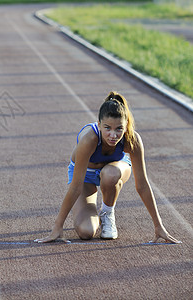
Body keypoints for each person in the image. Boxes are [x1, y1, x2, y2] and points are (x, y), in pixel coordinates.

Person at [35, 91, 181, 244]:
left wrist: (158, 226)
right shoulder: (89, 139)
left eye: (119, 128)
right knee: (86, 232)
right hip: (85, 176)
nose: (113, 135)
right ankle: (91, 215)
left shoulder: (132, 140)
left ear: (126, 127)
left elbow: (143, 185)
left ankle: (107, 212)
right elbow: (76, 186)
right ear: (98, 125)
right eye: (107, 128)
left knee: (110, 173)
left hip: (113, 171)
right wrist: (58, 227)